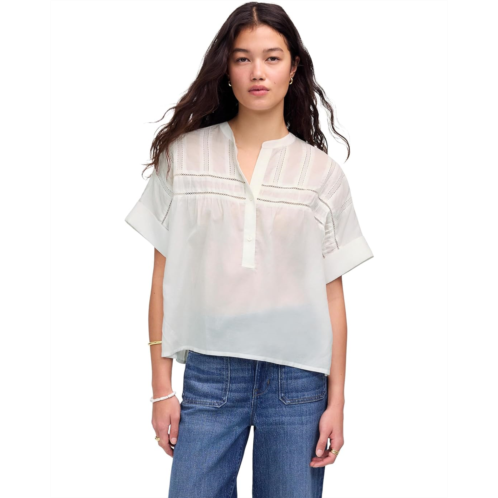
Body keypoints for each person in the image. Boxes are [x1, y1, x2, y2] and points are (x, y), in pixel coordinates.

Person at [125, 2, 373, 497]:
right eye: (242, 58)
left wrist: (337, 401)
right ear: (227, 69)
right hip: (211, 373)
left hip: (298, 382)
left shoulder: (322, 174)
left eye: (272, 57)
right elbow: (161, 281)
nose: (258, 72)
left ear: (293, 67)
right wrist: (160, 388)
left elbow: (332, 297)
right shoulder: (185, 158)